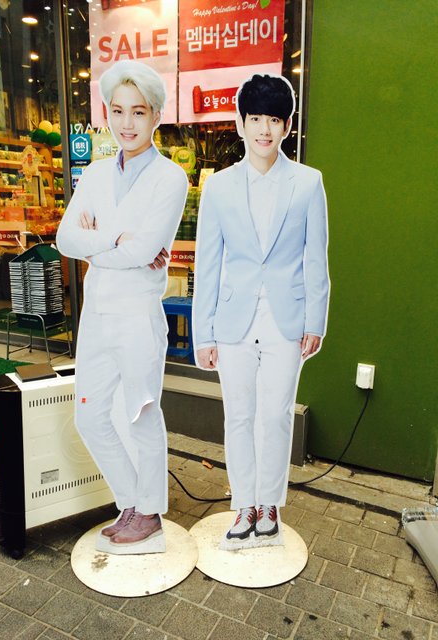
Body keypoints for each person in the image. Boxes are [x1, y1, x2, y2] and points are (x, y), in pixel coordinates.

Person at [56, 61, 188, 547]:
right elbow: (65, 239)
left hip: (137, 318)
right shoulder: (93, 174)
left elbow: (144, 249)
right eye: (117, 111)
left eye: (138, 111)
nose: (126, 123)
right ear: (107, 113)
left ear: (156, 115)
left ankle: (148, 512)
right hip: (97, 314)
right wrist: (114, 239)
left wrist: (96, 244)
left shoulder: (171, 179)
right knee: (90, 417)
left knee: (141, 416)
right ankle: (132, 500)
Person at [193, 73, 329, 543]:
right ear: (241, 123)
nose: (264, 129)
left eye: (274, 119)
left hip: (286, 320)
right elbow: (208, 263)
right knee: (238, 416)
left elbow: (317, 258)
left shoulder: (308, 183)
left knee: (275, 415)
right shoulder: (219, 187)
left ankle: (269, 503)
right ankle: (243, 504)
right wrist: (203, 333)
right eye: (256, 119)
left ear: (287, 126)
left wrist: (316, 320)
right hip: (233, 320)